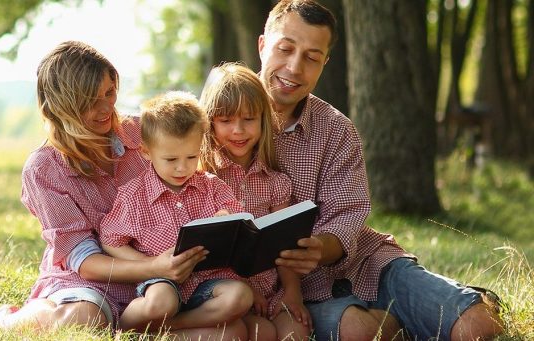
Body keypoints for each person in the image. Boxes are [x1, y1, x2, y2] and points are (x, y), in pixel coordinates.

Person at [258, 1, 504, 339]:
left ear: (324, 64)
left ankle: (451, 302)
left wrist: (319, 246)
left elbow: (347, 217)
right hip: (296, 292)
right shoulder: (222, 123)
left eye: (312, 58)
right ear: (262, 46)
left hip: (366, 264)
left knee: (479, 326)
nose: (294, 67)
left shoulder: (337, 129)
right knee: (362, 332)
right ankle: (397, 321)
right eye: (285, 49)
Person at [0, 41, 206, 332]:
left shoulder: (141, 134)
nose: (106, 108)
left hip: (159, 282)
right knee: (85, 317)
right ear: (60, 106)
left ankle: (133, 326)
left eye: (109, 92)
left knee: (229, 333)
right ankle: (6, 323)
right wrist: (155, 267)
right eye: (89, 101)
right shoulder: (45, 169)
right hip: (90, 284)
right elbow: (84, 260)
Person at [99, 91, 261, 340]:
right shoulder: (134, 195)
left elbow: (241, 222)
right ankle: (124, 328)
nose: (182, 167)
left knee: (240, 296)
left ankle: (166, 329)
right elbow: (110, 239)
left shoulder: (212, 187)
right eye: (171, 159)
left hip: (209, 283)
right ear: (145, 152)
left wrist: (226, 217)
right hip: (163, 281)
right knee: (161, 303)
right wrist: (149, 265)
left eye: (192, 157)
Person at [199, 62, 311, 340]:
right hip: (224, 289)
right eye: (226, 120)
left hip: (270, 288)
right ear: (209, 121)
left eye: (249, 119)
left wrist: (293, 294)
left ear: (263, 119)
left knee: (295, 332)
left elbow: (284, 245)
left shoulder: (274, 182)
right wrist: (246, 289)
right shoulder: (203, 178)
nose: (238, 130)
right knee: (261, 334)